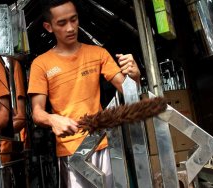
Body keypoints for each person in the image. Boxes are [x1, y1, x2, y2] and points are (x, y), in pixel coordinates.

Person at [27, 0, 141, 187]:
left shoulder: (98, 53)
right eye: (62, 23)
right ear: (49, 27)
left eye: (74, 20)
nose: (71, 28)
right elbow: (37, 113)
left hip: (102, 144)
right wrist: (53, 119)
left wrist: (135, 77)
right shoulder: (41, 64)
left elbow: (129, 92)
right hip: (70, 149)